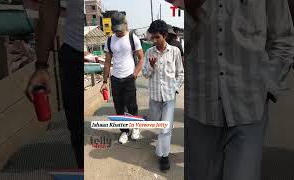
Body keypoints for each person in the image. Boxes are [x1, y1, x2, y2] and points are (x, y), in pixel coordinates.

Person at [185, 0, 294, 180]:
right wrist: (191, 11)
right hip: (199, 111)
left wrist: (266, 86)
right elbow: (180, 44)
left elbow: (284, 39)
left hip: (249, 111)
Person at [24, 0, 83, 169]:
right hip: (74, 57)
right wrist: (41, 65)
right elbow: (49, 7)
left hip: (79, 55)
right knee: (78, 132)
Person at [142, 20, 184, 172]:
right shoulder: (149, 53)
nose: (154, 40)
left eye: (157, 37)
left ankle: (164, 156)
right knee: (156, 122)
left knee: (165, 128)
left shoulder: (175, 52)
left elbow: (180, 73)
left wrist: (175, 89)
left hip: (169, 97)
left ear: (165, 35)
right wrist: (152, 67)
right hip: (154, 97)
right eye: (153, 37)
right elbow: (145, 74)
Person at [100, 12, 144, 144]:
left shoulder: (133, 38)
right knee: (119, 107)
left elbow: (141, 58)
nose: (118, 32)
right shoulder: (109, 40)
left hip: (129, 77)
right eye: (116, 30)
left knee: (132, 106)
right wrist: (104, 81)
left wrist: (134, 74)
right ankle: (124, 131)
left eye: (121, 29)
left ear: (126, 25)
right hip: (115, 78)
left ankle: (135, 127)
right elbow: (107, 61)